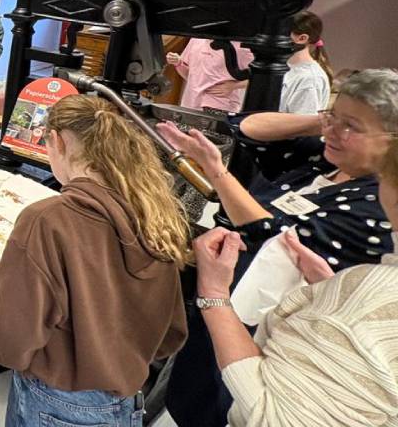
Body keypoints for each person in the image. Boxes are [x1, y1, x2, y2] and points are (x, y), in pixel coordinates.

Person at [158, 68, 398, 427]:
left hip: (265, 348)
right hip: (227, 317)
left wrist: (214, 169)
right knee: (188, 395)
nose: (333, 131)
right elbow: (247, 128)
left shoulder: (376, 204)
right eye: (333, 116)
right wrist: (322, 123)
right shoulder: (323, 163)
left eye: (352, 126)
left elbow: (275, 233)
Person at [0, 95, 190, 427]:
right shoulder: (154, 212)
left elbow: (8, 346)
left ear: (55, 140)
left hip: (56, 404)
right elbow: (171, 335)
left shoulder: (46, 220)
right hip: (123, 402)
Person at [167, 38, 253, 112]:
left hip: (220, 106)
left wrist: (234, 86)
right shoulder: (196, 40)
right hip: (189, 104)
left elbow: (261, 79)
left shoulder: (240, 46)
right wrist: (178, 63)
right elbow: (190, 76)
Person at [279, 10, 332, 115]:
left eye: (281, 32)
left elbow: (302, 126)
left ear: (302, 38)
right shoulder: (284, 66)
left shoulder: (310, 79)